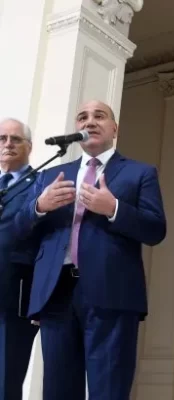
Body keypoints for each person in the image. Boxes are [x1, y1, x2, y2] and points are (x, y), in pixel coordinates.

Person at [15, 100, 166, 400]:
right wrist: (39, 206)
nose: (90, 121)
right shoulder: (52, 175)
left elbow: (155, 230)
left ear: (115, 129)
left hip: (113, 294)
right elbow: (19, 230)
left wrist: (114, 209)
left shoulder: (139, 173)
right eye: (83, 117)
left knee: (108, 390)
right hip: (56, 294)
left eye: (100, 116)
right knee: (57, 391)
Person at [0, 118, 39, 400]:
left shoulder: (40, 184)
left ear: (29, 146)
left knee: (5, 381)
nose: (8, 144)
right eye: (2, 139)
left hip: (14, 296)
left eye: (15, 139)